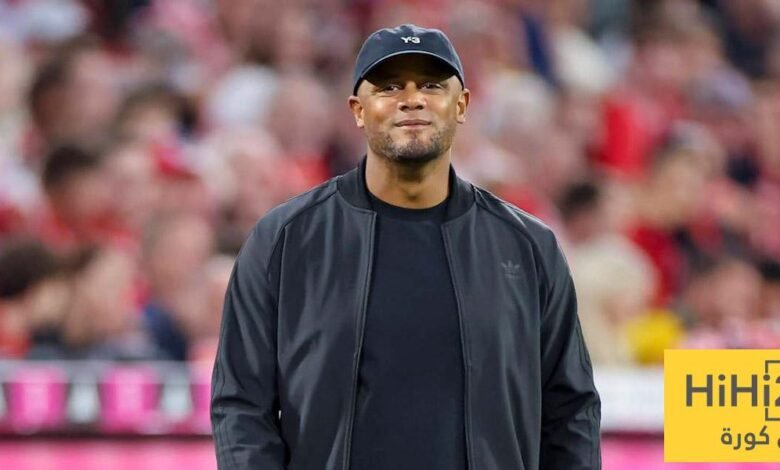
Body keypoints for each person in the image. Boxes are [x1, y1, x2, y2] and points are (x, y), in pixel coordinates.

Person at [211, 24, 601, 470]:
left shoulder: (528, 247)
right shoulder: (285, 239)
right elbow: (241, 404)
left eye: (431, 85)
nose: (411, 99)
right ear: (358, 111)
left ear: (462, 105)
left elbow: (571, 410)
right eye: (389, 86)